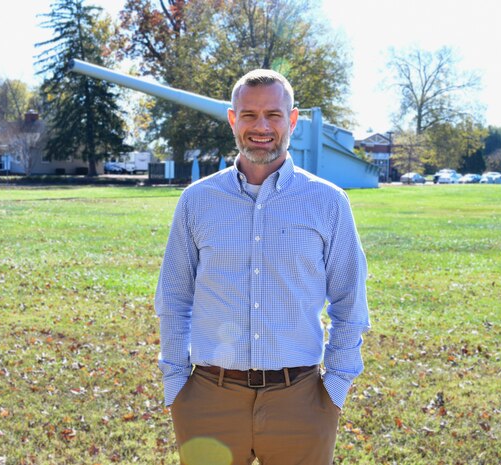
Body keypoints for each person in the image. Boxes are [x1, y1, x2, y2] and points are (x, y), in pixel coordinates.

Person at [155, 69, 370, 465]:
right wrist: (176, 383)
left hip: (301, 399)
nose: (261, 126)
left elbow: (350, 301)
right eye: (249, 114)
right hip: (208, 398)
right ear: (233, 119)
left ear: (292, 120)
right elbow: (174, 296)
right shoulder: (197, 200)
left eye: (273, 114)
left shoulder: (328, 202)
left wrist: (335, 386)